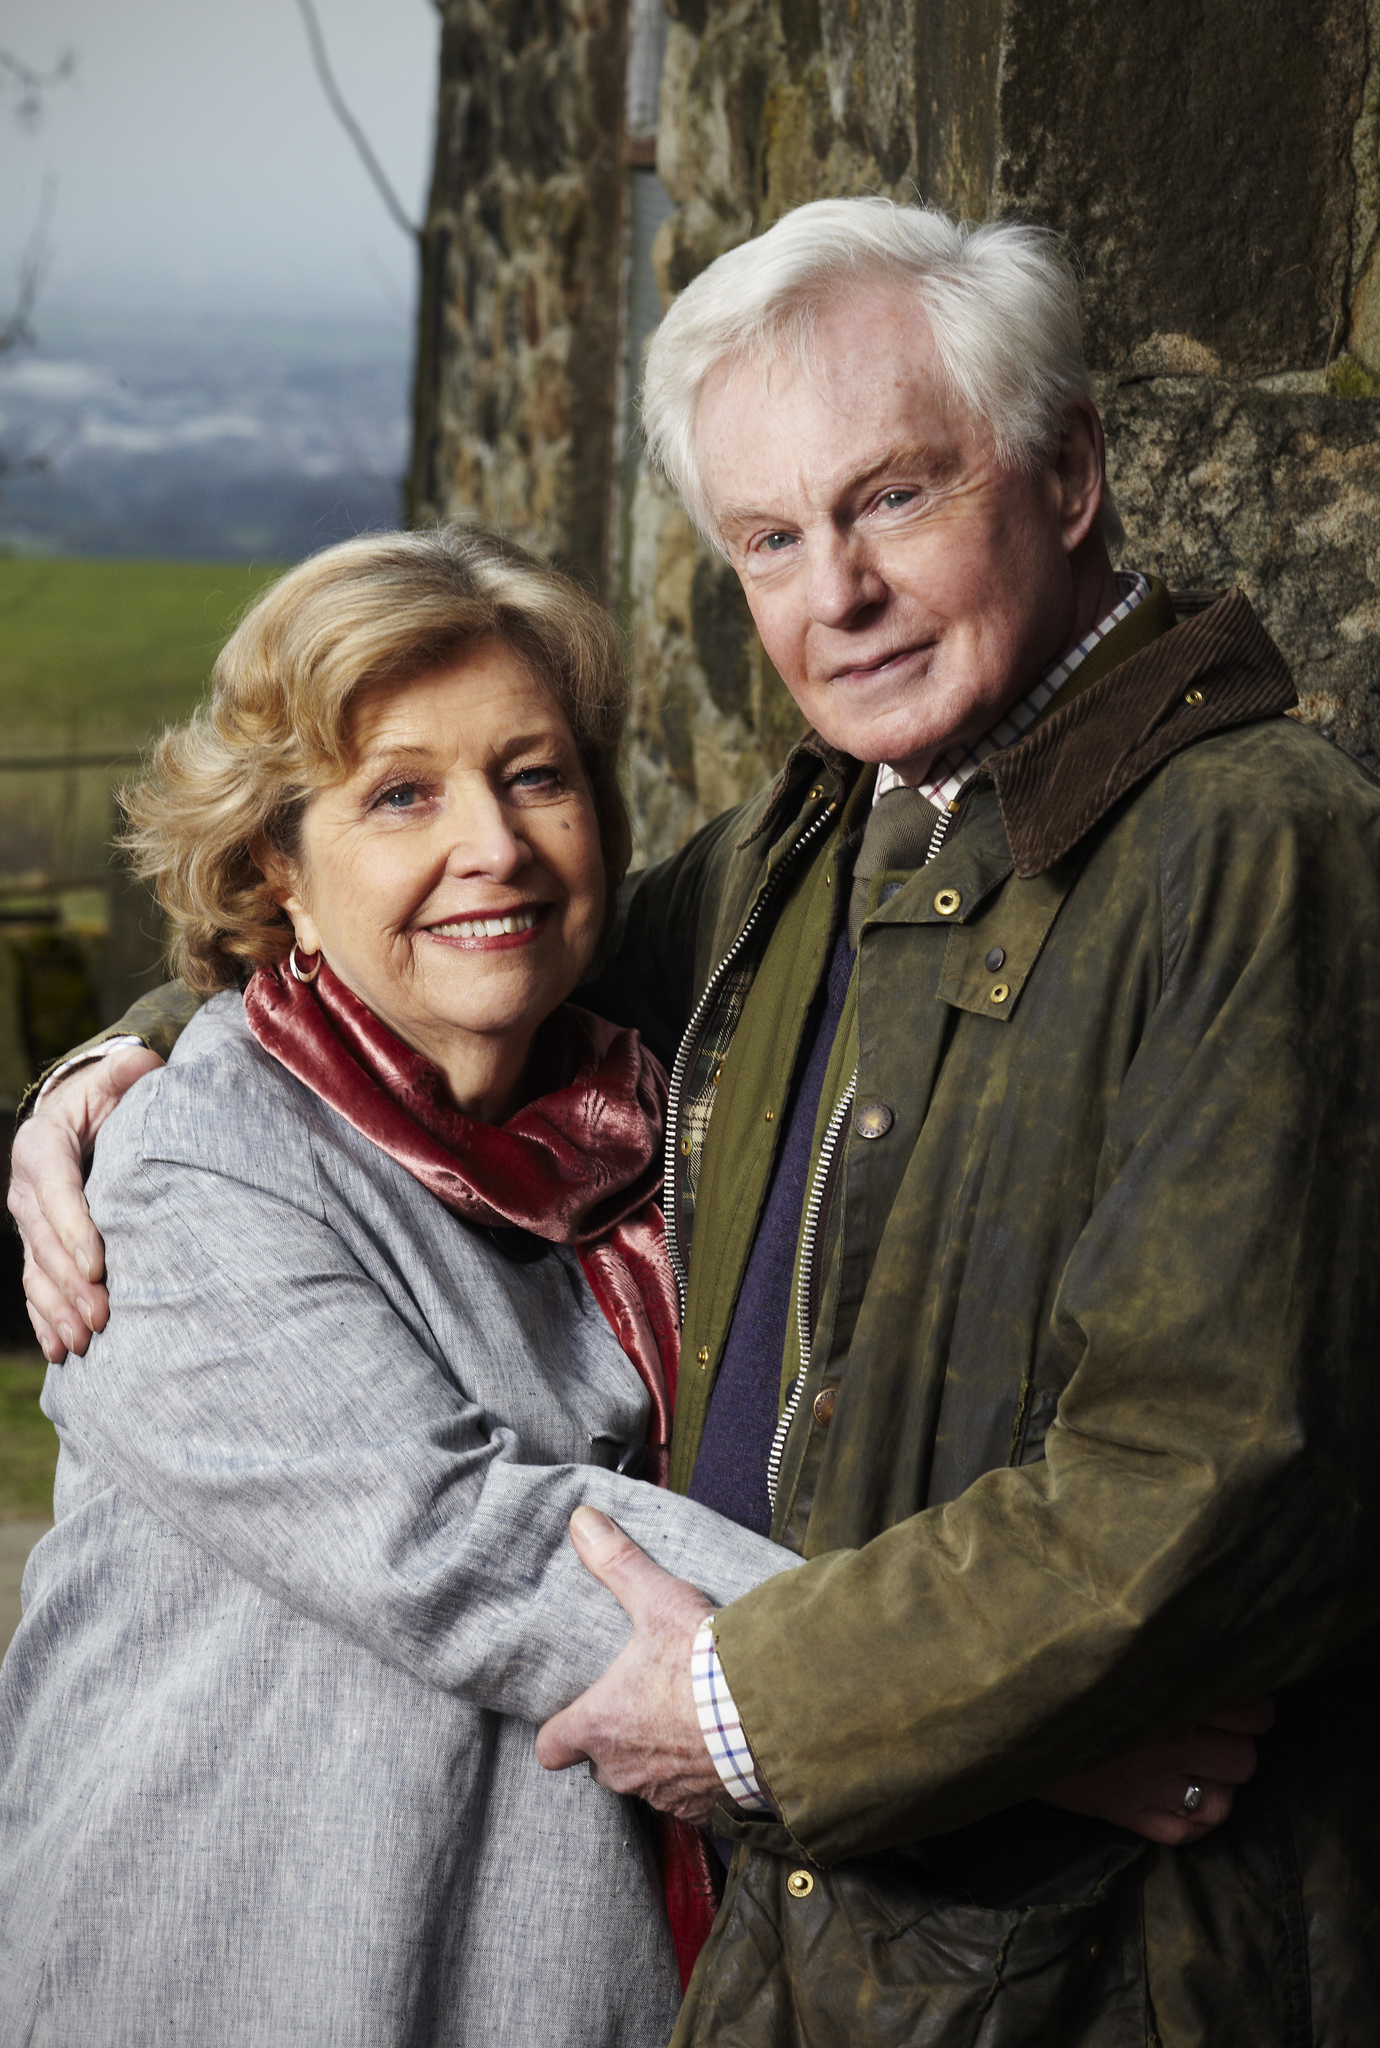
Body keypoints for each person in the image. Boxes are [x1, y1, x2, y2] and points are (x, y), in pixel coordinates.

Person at [10, 198, 1347, 2044]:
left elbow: (1207, 1471)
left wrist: (844, 1712)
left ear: (1068, 475)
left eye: (893, 499)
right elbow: (448, 983)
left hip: (1034, 1957)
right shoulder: (831, 843)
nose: (836, 593)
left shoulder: (1244, 850)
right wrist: (141, 1066)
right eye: (771, 540)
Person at [0, 526, 803, 2046]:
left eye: (536, 775)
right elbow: (464, 1540)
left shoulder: (644, 1105)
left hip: (540, 1960)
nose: (491, 843)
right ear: (279, 877)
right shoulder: (191, 1169)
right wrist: (997, 1711)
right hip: (234, 1962)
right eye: (402, 796)